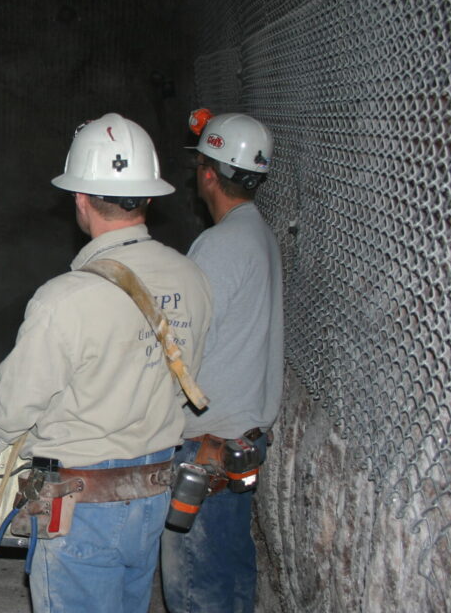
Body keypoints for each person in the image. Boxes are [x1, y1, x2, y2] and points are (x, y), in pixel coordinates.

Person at [0, 113, 212, 613]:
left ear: (80, 199)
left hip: (79, 506)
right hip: (152, 494)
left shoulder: (65, 298)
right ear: (148, 197)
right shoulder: (192, 278)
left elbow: (12, 408)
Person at [160, 111, 284, 613]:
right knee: (230, 580)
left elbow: (182, 349)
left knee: (195, 586)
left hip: (206, 450)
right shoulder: (261, 235)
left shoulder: (218, 246)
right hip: (242, 444)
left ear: (208, 172)